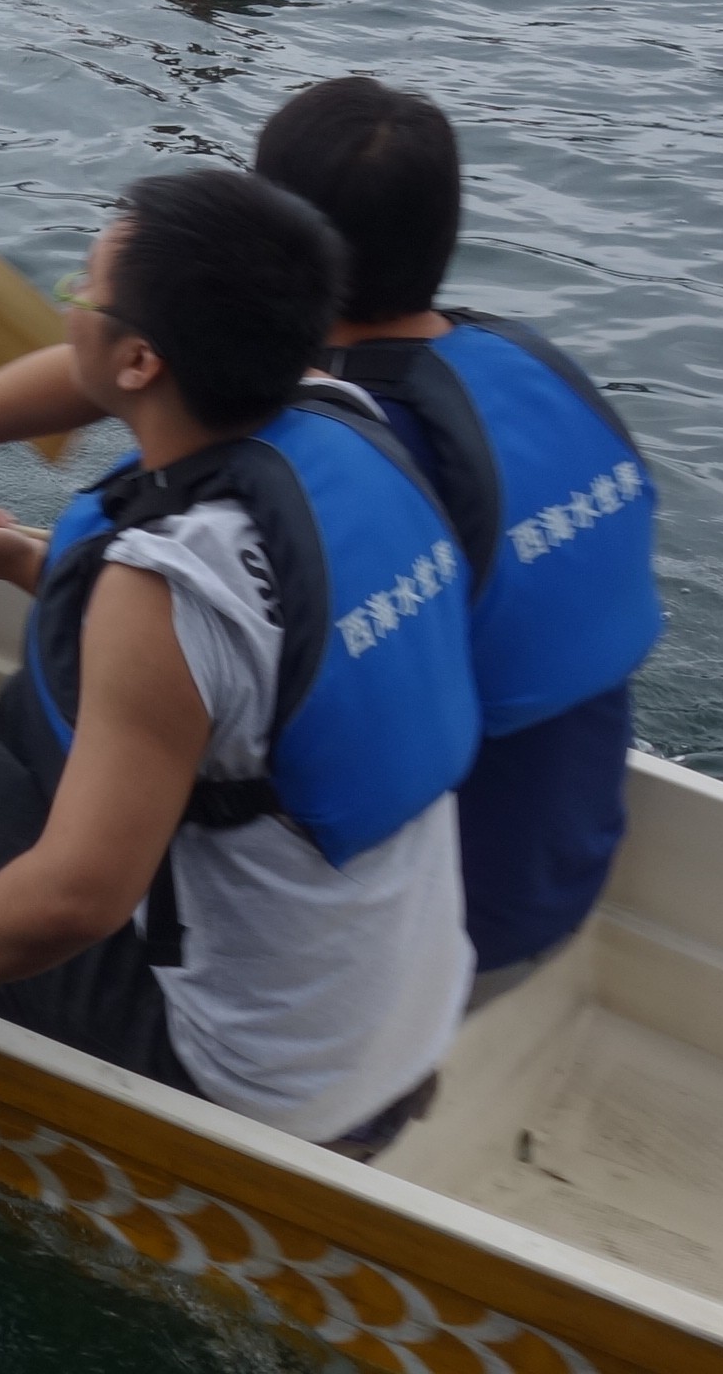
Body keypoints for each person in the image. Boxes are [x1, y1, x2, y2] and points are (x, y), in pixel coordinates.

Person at [0, 170, 479, 1160]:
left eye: (81, 290)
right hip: (407, 1029)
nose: (68, 303)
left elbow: (82, 896)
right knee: (29, 710)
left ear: (141, 360)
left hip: (251, 1093)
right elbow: (256, 655)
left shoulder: (161, 587)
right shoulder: (343, 419)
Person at [257, 78, 660, 993]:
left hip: (427, 945)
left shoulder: (342, 458)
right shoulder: (524, 371)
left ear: (277, 249)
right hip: (563, 878)